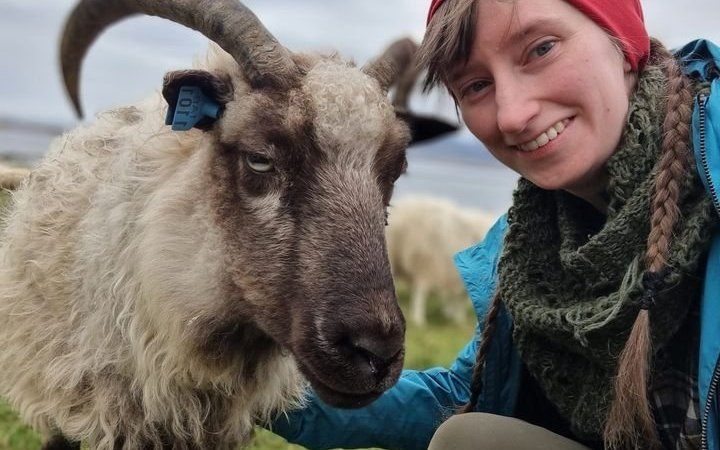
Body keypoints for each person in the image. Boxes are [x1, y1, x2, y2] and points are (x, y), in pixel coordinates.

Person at [269, 0, 720, 448]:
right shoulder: (530, 250)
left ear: (625, 42)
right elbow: (466, 398)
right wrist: (250, 386)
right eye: (476, 85)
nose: (512, 115)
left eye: (541, 49)